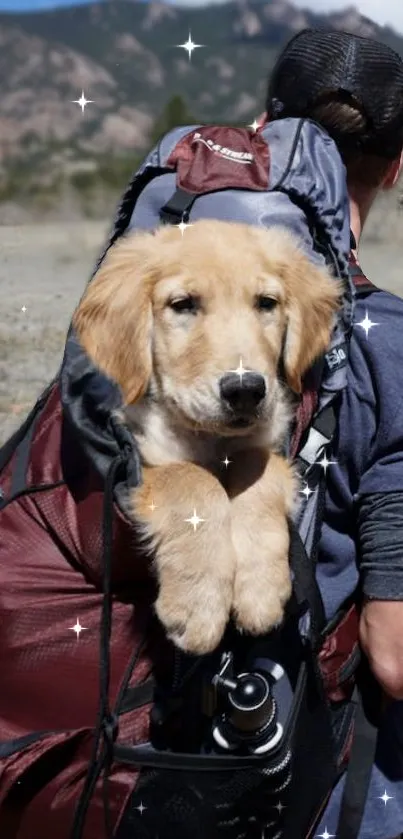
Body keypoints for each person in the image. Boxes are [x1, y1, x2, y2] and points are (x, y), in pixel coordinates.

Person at [265, 28, 403, 839]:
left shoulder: (156, 301)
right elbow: (392, 655)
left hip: (130, 748)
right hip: (313, 778)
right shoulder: (388, 343)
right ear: (394, 167)